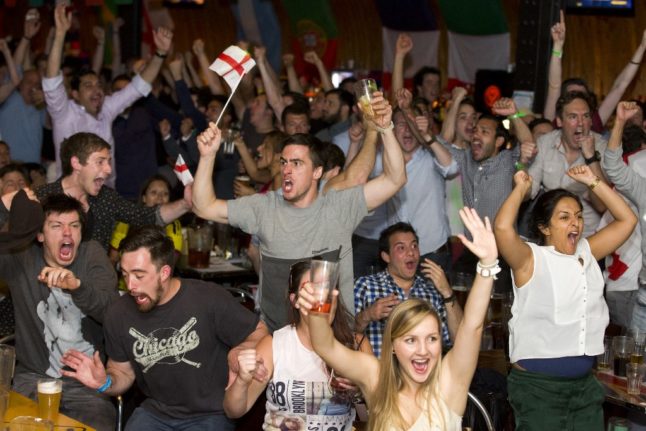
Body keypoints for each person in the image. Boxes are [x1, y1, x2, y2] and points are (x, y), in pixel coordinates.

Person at [192, 93, 406, 331]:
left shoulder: (339, 207)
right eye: (284, 162)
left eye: (297, 163)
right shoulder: (264, 207)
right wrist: (207, 156)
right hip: (278, 339)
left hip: (332, 342)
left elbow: (395, 179)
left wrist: (385, 127)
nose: (287, 170)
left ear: (317, 172)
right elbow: (204, 206)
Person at [298, 207, 498, 430]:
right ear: (392, 345)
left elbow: (472, 327)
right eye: (410, 340)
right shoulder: (377, 379)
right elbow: (325, 346)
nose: (423, 350)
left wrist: (488, 264)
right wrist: (316, 307)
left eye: (432, 339)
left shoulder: (450, 383)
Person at [60, 225, 268, 430]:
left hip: (210, 414)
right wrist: (104, 382)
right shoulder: (119, 313)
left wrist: (240, 349)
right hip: (155, 413)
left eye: (139, 275)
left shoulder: (208, 298)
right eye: (125, 274)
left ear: (164, 272)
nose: (130, 285)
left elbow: (260, 332)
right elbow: (122, 373)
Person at [494, 165, 637, 430]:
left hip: (585, 388)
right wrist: (521, 189)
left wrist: (593, 181)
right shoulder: (530, 258)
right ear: (544, 228)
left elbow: (627, 220)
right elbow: (502, 228)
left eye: (579, 216)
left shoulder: (587, 251)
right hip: (538, 390)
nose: (576, 223)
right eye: (564, 217)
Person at [0, 191, 118, 431]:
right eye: (56, 226)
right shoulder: (20, 258)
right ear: (40, 235)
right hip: (32, 381)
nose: (67, 233)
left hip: (86, 385)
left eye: (74, 225)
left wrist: (77, 287)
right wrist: (4, 205)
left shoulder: (91, 254)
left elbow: (113, 314)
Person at [223, 260, 371, 428]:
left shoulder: (356, 344)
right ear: (295, 300)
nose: (318, 297)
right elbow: (233, 411)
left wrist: (360, 389)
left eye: (325, 289)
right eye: (309, 290)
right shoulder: (274, 345)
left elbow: (380, 410)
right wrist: (242, 380)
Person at [44, 3, 172, 186]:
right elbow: (51, 82)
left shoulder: (108, 108)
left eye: (98, 85)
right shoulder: (64, 113)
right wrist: (59, 34)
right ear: (75, 94)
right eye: (88, 85)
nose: (96, 89)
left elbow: (138, 86)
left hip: (106, 195)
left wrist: (160, 54)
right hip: (71, 199)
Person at [36, 132, 191, 250]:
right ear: (76, 163)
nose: (109, 169)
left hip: (96, 288)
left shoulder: (106, 198)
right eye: (100, 162)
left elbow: (145, 216)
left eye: (109, 162)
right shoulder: (42, 198)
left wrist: (185, 204)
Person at [354, 222, 462, 357]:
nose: (411, 252)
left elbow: (460, 342)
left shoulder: (431, 292)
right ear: (386, 256)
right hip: (377, 373)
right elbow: (345, 337)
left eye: (414, 246)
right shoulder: (366, 286)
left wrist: (447, 292)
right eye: (401, 248)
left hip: (422, 373)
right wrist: (367, 315)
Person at [527, 91, 608, 238]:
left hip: (589, 239)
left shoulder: (602, 147)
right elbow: (528, 192)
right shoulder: (545, 143)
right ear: (559, 121)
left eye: (586, 116)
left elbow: (602, 205)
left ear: (591, 121)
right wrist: (521, 166)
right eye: (573, 117)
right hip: (552, 237)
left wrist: (590, 158)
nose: (581, 123)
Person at [602, 101, 646, 330]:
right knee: (632, 361)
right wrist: (619, 121)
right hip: (641, 295)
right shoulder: (643, 184)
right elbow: (613, 168)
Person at [110, 174, 183, 264]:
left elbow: (170, 262)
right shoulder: (127, 219)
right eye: (154, 193)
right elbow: (113, 258)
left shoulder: (173, 224)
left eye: (165, 194)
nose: (160, 198)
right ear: (144, 198)